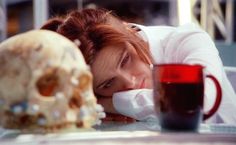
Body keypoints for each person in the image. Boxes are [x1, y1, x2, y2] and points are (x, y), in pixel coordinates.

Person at [41, 8, 236, 124]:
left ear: (130, 32)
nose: (131, 83)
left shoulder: (187, 40)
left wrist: (107, 104)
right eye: (108, 84)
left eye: (125, 60)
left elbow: (197, 103)